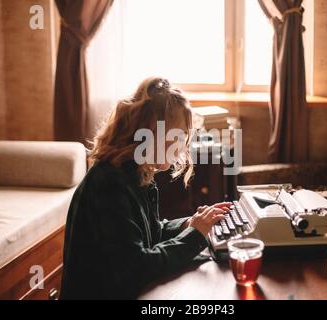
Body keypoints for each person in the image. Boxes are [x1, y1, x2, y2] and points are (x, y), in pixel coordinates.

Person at [60, 77, 231, 299]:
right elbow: (135, 267)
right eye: (178, 137)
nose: (183, 146)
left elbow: (150, 232)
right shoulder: (110, 183)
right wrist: (195, 235)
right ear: (152, 133)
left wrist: (188, 224)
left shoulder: (136, 171)